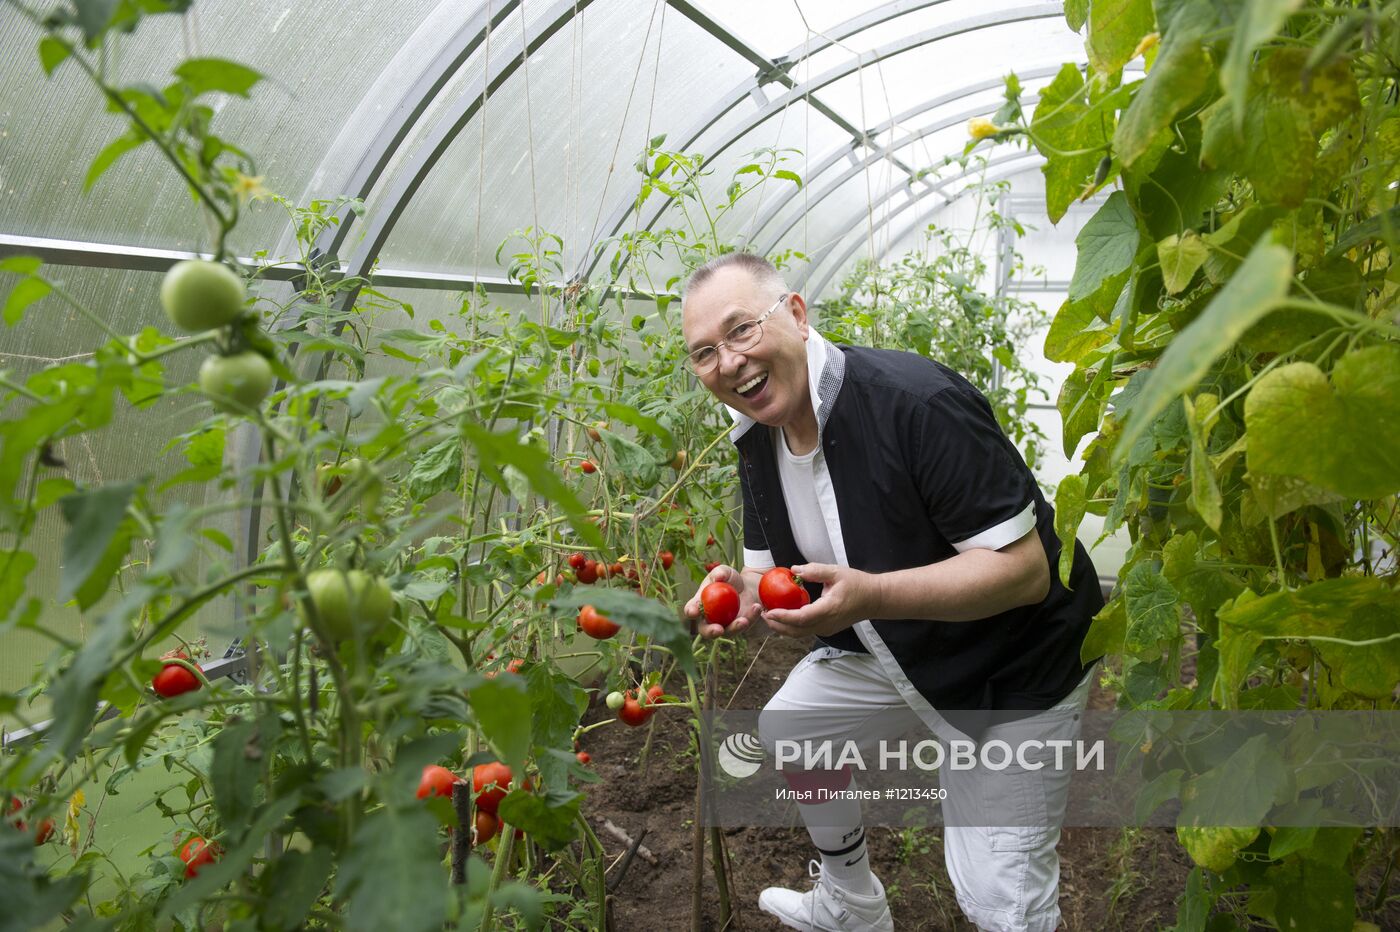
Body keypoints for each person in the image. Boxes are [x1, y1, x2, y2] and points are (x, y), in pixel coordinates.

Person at [680, 252, 1103, 932]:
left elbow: (1025, 573)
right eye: (704, 352)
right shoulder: (757, 441)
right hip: (901, 639)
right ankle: (850, 901)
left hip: (1017, 658)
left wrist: (870, 596)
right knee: (793, 729)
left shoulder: (914, 402)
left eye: (741, 331)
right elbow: (770, 582)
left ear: (794, 313)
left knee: (1001, 898)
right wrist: (741, 594)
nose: (728, 362)